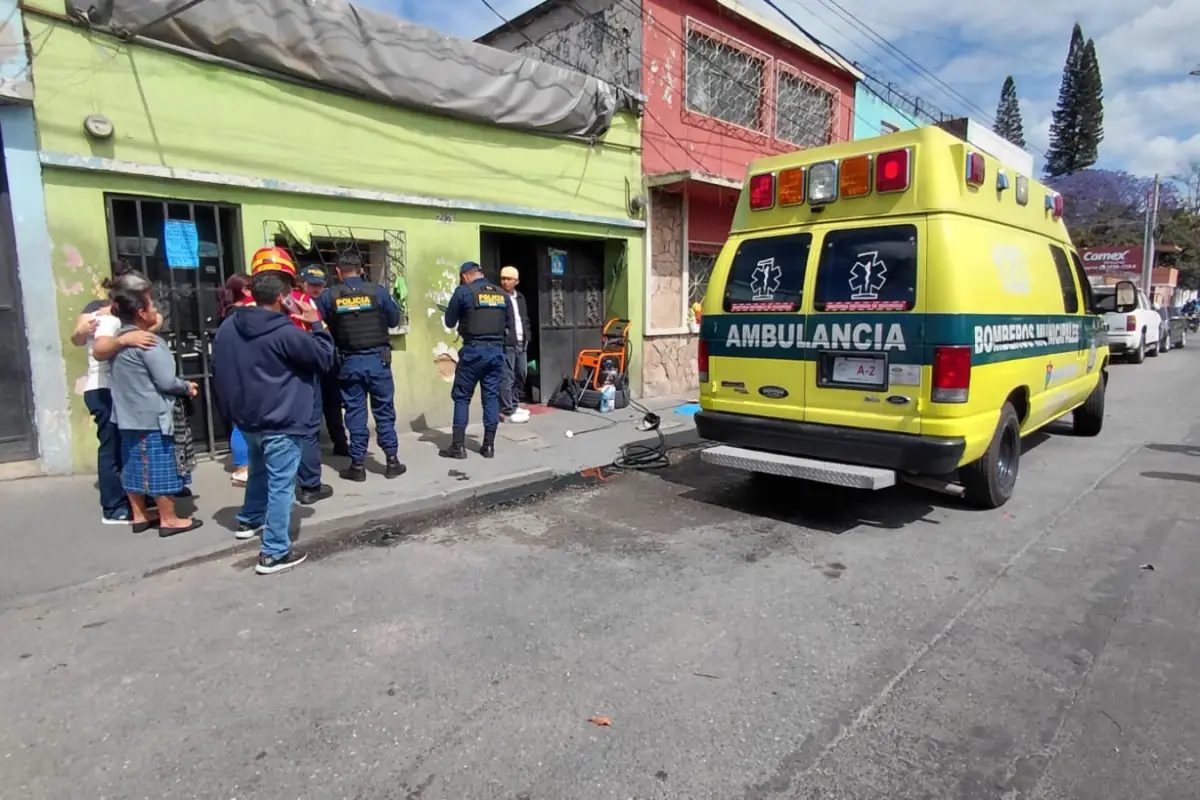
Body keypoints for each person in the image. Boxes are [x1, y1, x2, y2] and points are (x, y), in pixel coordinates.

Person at [212, 271, 335, 575]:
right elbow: (323, 359)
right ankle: (274, 552)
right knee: (282, 486)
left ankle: (250, 519)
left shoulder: (229, 326)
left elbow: (219, 368)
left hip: (248, 418)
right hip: (281, 418)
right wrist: (315, 322)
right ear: (282, 298)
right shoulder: (286, 332)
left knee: (258, 471)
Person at [108, 284, 202, 537]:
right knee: (161, 466)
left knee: (133, 465)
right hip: (153, 415)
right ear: (141, 312)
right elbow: (166, 382)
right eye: (152, 307)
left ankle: (140, 515)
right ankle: (169, 519)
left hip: (126, 415)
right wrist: (187, 386)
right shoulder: (149, 342)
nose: (156, 311)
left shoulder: (116, 342)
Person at [71, 263, 157, 524]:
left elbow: (151, 326)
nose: (150, 301)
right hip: (102, 388)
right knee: (111, 448)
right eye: (146, 295)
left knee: (127, 445)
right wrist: (85, 330)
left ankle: (139, 497)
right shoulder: (100, 316)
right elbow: (86, 342)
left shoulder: (123, 316)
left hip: (121, 388)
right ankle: (113, 506)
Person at [248, 246, 332, 506]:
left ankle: (269, 487)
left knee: (264, 434)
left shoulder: (248, 306)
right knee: (306, 429)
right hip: (301, 372)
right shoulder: (303, 301)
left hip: (260, 376)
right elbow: (323, 339)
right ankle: (309, 485)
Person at [314, 252, 405, 481]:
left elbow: (317, 326)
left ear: (337, 272)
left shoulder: (328, 296)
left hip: (349, 362)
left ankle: (357, 465)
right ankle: (392, 461)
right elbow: (395, 320)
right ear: (362, 269)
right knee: (384, 412)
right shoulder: (378, 292)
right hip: (378, 361)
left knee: (355, 413)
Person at [439, 261, 507, 459]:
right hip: (495, 351)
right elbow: (508, 323)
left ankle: (458, 447)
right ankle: (488, 447)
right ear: (480, 273)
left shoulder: (463, 292)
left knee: (461, 397)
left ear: (464, 276)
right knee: (491, 398)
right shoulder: (501, 294)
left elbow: (450, 321)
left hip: (473, 352)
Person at [300, 265, 349, 458]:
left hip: (327, 359)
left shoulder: (326, 300)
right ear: (301, 282)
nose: (316, 289)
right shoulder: (295, 302)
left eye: (319, 285)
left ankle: (340, 442)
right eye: (312, 285)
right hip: (305, 361)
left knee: (332, 403)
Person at [217, 274, 255, 486]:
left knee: (239, 422)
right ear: (247, 291)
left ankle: (243, 466)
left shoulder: (227, 315)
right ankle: (243, 468)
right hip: (247, 374)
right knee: (244, 423)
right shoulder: (243, 316)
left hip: (231, 374)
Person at [499, 266, 531, 424]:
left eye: (509, 279)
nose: (505, 282)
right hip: (508, 343)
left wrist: (527, 335)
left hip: (521, 342)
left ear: (516, 281)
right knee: (507, 377)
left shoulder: (520, 298)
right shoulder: (499, 297)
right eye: (503, 278)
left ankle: (514, 403)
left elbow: (524, 319)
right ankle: (507, 410)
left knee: (521, 374)